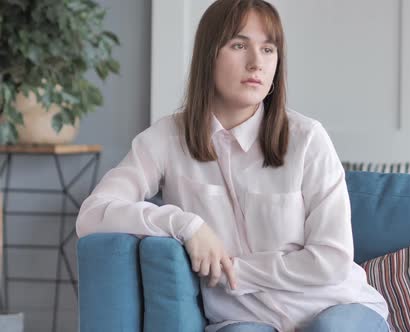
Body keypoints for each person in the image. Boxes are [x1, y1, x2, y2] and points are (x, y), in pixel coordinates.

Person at [75, 0, 389, 331]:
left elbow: (332, 262)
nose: (256, 63)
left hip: (335, 305)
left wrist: (232, 270)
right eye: (239, 45)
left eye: (268, 49)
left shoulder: (308, 139)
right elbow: (93, 214)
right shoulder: (165, 139)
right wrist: (187, 225)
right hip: (243, 318)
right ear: (208, 55)